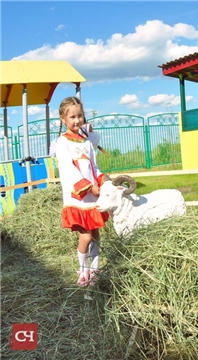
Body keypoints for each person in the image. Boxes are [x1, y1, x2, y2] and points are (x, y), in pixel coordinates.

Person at [55, 96, 110, 287]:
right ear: (63, 119)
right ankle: (83, 270)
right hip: (78, 197)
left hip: (92, 197)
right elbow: (69, 170)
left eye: (80, 116)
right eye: (72, 117)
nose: (77, 120)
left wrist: (102, 180)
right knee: (85, 236)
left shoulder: (86, 142)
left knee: (95, 235)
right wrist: (89, 186)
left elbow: (94, 167)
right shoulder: (62, 142)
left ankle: (95, 270)